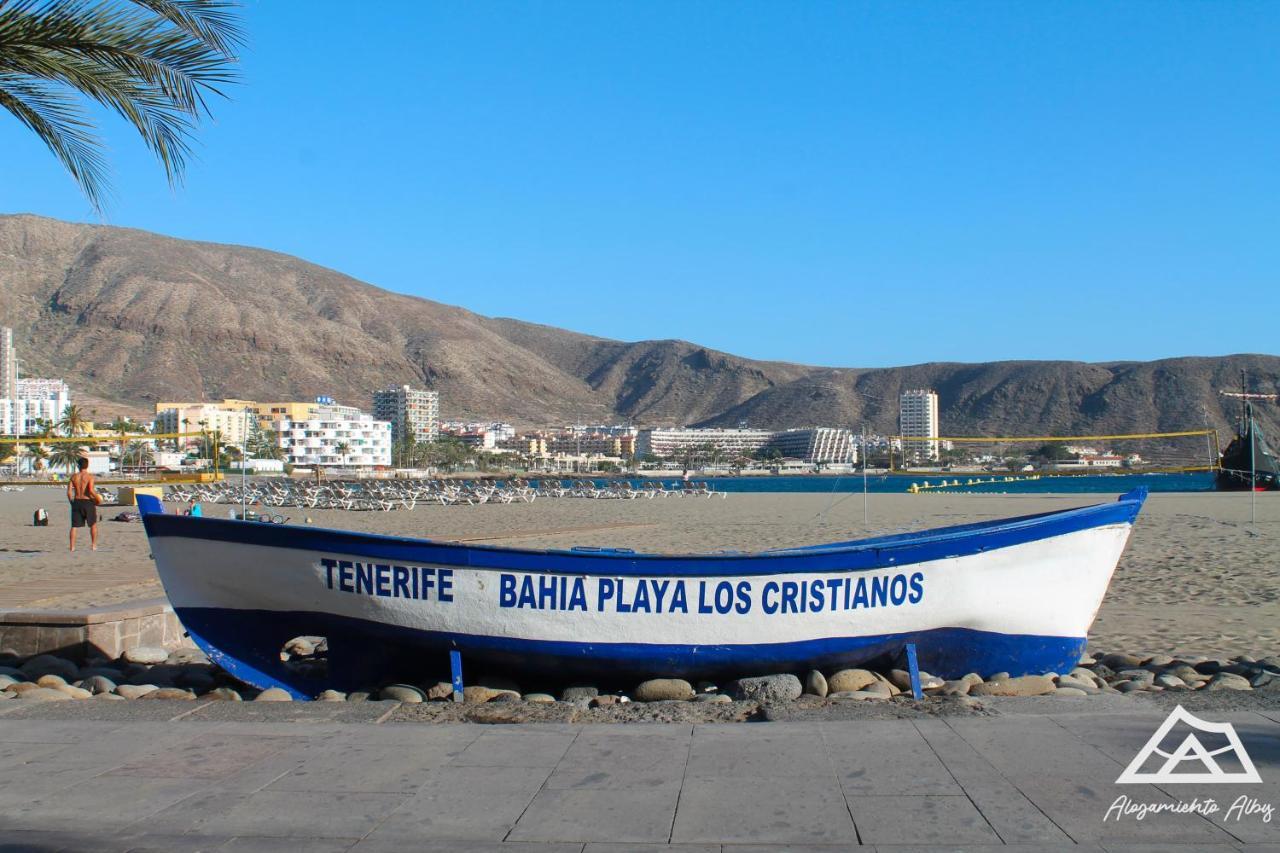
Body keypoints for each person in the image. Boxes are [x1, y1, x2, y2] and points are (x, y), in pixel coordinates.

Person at [67, 456, 101, 551]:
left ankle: (72, 547)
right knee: (93, 524)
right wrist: (98, 499)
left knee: (74, 526)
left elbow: (69, 492)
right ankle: (93, 545)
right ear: (87, 465)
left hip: (77, 501)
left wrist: (71, 502)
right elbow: (91, 490)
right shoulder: (90, 477)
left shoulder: (73, 477)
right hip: (87, 502)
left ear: (78, 466)